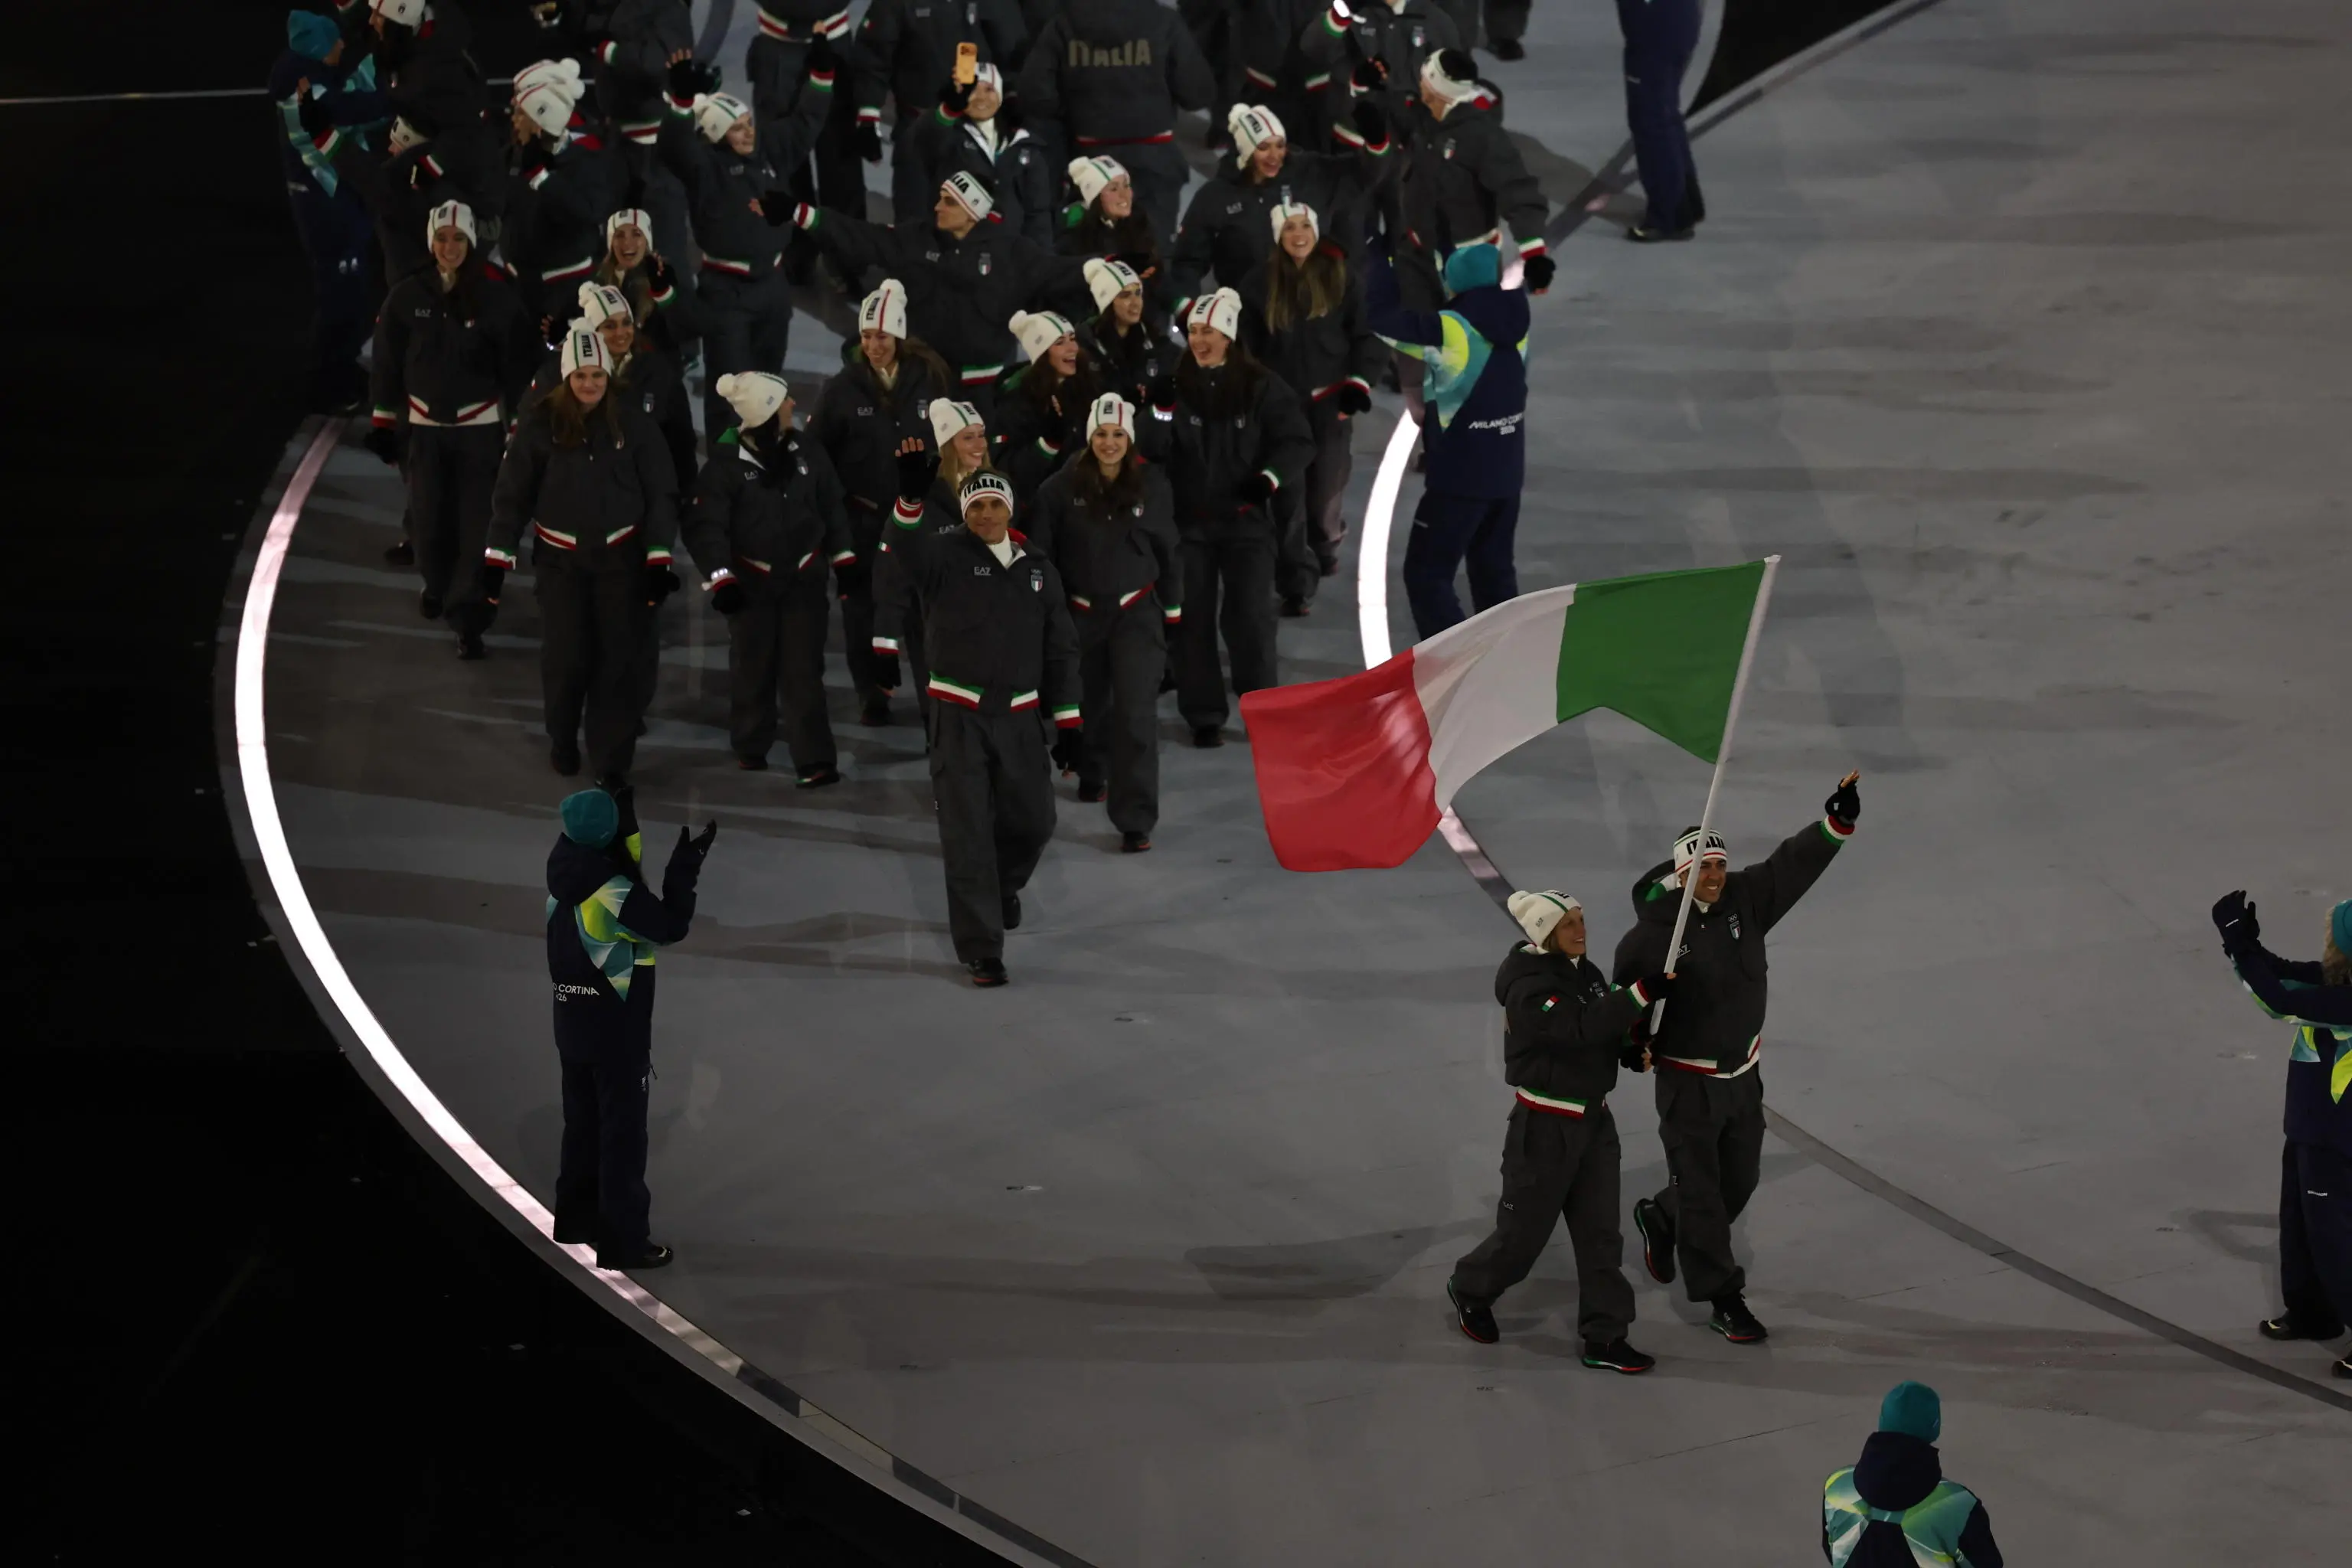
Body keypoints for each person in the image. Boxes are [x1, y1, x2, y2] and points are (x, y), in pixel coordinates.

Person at [1614, 777, 1861, 1344]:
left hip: (1744, 1079)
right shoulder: (1649, 939)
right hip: (1689, 1085)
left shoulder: (1746, 900)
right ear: (1681, 875)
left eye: (1720, 864)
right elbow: (1623, 1002)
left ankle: (1662, 1215)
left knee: (1739, 1183)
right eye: (1703, 868)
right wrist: (1631, 1045)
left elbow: (1789, 867)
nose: (1715, 875)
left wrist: (1835, 826)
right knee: (1704, 1193)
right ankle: (1723, 1297)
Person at [875, 470, 1082, 987]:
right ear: (964, 513)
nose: (985, 515)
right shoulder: (942, 558)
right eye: (975, 507)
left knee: (1035, 821)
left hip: (1020, 718)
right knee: (966, 835)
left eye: (994, 505)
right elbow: (903, 547)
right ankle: (982, 950)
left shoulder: (1039, 569)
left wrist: (1069, 720)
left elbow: (1061, 648)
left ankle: (1001, 889)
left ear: (1010, 510)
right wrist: (908, 500)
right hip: (959, 718)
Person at [1446, 890, 1668, 1370]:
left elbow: (1600, 1032)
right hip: (1545, 1128)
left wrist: (1627, 1050)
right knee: (1522, 1237)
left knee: (1601, 1236)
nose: (1581, 930)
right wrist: (1638, 995)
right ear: (1545, 932)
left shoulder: (1582, 971)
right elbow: (1578, 1027)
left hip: (1593, 1123)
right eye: (1569, 924)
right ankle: (1471, 1287)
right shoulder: (1529, 990)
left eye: (1582, 920)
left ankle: (1605, 1337)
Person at [485, 324, 681, 783]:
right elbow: (511, 495)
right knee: (567, 658)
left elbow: (661, 491)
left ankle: (611, 760)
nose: (590, 384)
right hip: (561, 566)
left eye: (598, 375)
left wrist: (658, 556)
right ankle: (562, 736)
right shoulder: (539, 425)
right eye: (581, 376)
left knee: (619, 660)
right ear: (565, 379)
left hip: (622, 563)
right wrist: (497, 558)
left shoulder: (634, 425)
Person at [545, 783, 715, 1271]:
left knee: (581, 1126)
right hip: (616, 1035)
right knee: (622, 1138)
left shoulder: (563, 875)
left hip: (571, 1025)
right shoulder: (613, 893)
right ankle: (623, 1243)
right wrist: (684, 868)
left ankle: (575, 1220)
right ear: (609, 836)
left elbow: (617, 862)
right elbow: (667, 925)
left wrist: (627, 818)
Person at [1139, 287, 1315, 748]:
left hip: (1245, 525)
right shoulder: (1175, 387)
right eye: (1194, 331)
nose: (1199, 340)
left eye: (1209, 332)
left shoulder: (1261, 387)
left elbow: (1297, 442)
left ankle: (1261, 711)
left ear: (1230, 337)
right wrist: (1157, 412)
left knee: (1251, 619)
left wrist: (1269, 479)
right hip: (1189, 526)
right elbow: (1150, 453)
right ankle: (1204, 716)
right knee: (1192, 619)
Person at [368, 200, 536, 658]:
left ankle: (468, 619)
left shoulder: (497, 296)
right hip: (423, 434)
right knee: (427, 522)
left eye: (458, 239)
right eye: (442, 238)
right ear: (431, 241)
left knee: (476, 527)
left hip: (479, 434)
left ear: (472, 242)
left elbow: (519, 365)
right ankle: (436, 584)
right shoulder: (407, 296)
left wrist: (520, 424)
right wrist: (383, 420)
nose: (449, 247)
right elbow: (386, 362)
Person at [790, 172, 1090, 408]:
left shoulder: (1012, 252)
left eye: (949, 201)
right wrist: (806, 216)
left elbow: (1061, 271)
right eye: (940, 198)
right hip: (923, 384)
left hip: (984, 392)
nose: (937, 207)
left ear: (973, 210)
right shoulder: (915, 239)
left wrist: (1112, 270)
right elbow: (863, 237)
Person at [656, 49, 836, 443]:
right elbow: (673, 147)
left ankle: (766, 449)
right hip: (726, 296)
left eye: (748, 123)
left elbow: (805, 123)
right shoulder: (705, 168)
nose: (748, 132)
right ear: (719, 136)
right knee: (731, 393)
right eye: (737, 128)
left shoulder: (768, 151)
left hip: (773, 286)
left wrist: (821, 77)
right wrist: (682, 102)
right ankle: (727, 466)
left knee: (770, 382)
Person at [684, 371, 854, 786]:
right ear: (765, 413)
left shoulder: (808, 451)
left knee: (802, 670)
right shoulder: (723, 469)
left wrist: (844, 560)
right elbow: (706, 528)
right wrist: (721, 579)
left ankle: (814, 759)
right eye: (784, 401)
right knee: (752, 666)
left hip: (804, 580)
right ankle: (750, 742)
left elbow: (831, 504)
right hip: (750, 586)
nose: (793, 404)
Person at [2213, 893, 2352, 1380]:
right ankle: (2313, 1312)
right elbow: (2283, 972)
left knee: (2337, 1236)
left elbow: (2280, 999)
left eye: (2333, 935)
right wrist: (2246, 945)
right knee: (2300, 1224)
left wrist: (2235, 943)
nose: (2327, 943)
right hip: (2312, 1127)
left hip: (2341, 1136)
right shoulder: (2339, 980)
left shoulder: (2347, 1000)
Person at [808, 279, 955, 726]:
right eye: (867, 336)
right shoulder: (840, 390)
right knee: (863, 614)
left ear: (899, 337)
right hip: (864, 522)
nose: (873, 345)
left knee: (926, 616)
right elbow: (818, 458)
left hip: (920, 521)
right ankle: (873, 694)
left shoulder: (930, 380)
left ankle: (937, 707)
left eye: (882, 337)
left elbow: (949, 445)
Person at [1036, 394, 1179, 851]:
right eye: (1101, 434)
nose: (1109, 443)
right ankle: (1092, 770)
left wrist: (1174, 610)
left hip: (1135, 615)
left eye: (1118, 434)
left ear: (1130, 438)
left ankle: (1135, 817)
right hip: (1080, 616)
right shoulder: (1058, 490)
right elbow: (1041, 557)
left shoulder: (1152, 485)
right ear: (1088, 437)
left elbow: (1168, 549)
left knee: (1136, 714)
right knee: (1090, 704)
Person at [1364, 239, 1527, 639]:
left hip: (1459, 477)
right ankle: (1509, 658)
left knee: (1426, 575)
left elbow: (1383, 320)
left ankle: (1454, 665)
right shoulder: (1518, 319)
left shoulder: (1450, 329)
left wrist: (1381, 260)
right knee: (1494, 572)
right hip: (1507, 473)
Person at [1237, 200, 1383, 603]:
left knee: (1324, 493)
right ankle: (1296, 583)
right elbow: (1245, 349)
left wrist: (1358, 383)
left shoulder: (1341, 277)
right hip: (1281, 410)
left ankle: (1325, 543)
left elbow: (1366, 335)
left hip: (1329, 404)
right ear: (1277, 237)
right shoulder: (1258, 284)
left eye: (1304, 226)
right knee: (1288, 498)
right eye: (1289, 229)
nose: (1298, 235)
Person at [1018, 0, 1218, 245]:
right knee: (1154, 254)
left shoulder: (1064, 22)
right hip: (1155, 160)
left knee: (1094, 259)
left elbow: (1035, 94)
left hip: (1090, 159)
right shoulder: (1164, 21)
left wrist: (1075, 109)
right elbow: (1197, 93)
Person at [1375, 48, 1553, 314]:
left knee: (1476, 340)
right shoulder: (1425, 118)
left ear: (1435, 87)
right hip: (1419, 252)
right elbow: (1394, 109)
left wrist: (1534, 254)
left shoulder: (1482, 136)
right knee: (1425, 336)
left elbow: (1516, 188)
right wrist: (1373, 84)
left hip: (1471, 261)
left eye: (1425, 77)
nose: (1419, 81)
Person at [1168, 102, 1387, 315]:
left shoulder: (1310, 174)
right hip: (1252, 317)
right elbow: (1187, 262)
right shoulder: (1216, 196)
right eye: (1263, 147)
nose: (1275, 156)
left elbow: (1362, 175)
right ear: (1246, 151)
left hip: (1315, 312)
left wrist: (1376, 144)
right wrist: (1188, 311)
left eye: (1280, 145)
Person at [273, 11, 377, 410]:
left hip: (331, 208)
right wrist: (391, 98)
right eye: (335, 42)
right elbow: (349, 111)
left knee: (349, 297)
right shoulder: (309, 94)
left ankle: (340, 371)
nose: (342, 46)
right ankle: (328, 388)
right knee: (341, 301)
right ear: (319, 48)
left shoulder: (308, 79)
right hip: (327, 214)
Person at [872, 400, 997, 730]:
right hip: (936, 631)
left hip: (991, 626)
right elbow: (892, 568)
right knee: (948, 730)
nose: (979, 444)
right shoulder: (921, 497)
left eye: (981, 435)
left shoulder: (996, 487)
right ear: (947, 444)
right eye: (967, 437)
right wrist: (885, 642)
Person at [852, 0, 1031, 223]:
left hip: (980, 134)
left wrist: (1013, 97)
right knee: (915, 224)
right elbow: (873, 56)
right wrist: (868, 115)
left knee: (980, 227)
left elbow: (1012, 52)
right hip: (919, 131)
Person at [1822, 1382, 2004, 1566]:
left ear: (1882, 1420)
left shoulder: (1837, 1486)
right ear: (1934, 1427)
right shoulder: (1959, 1505)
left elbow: (1832, 1547)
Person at [504, 58, 618, 328]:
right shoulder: (513, 155)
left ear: (540, 121)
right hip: (519, 286)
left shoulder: (586, 158)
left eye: (520, 112)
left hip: (566, 291)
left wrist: (543, 179)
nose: (513, 117)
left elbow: (588, 212)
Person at [903, 64, 1055, 245]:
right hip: (955, 250)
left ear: (1000, 96)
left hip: (1008, 256)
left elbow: (1037, 214)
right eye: (973, 90)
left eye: (989, 89)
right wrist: (949, 110)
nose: (981, 97)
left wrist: (1040, 261)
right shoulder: (949, 134)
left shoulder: (1024, 144)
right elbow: (923, 141)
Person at [1615, 0, 1706, 242]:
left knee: (1650, 118)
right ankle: (1685, 204)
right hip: (1677, 18)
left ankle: (1668, 215)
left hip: (1653, 24)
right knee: (1666, 113)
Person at [991, 310, 1099, 501]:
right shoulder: (1017, 399)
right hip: (1042, 505)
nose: (1072, 348)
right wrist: (1048, 443)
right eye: (1060, 343)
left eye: (1072, 338)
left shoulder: (1086, 385)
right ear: (1041, 353)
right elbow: (1007, 471)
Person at [1060, 156, 1167, 314]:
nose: (1125, 195)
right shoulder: (1074, 237)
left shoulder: (1140, 222)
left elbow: (1158, 272)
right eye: (1114, 189)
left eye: (1126, 186)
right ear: (1096, 197)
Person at [1081, 257, 1176, 409]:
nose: (1136, 302)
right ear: (1107, 302)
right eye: (1125, 295)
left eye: (1138, 293)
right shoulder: (1084, 347)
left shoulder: (1154, 340)